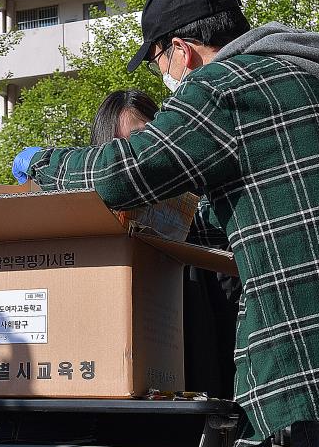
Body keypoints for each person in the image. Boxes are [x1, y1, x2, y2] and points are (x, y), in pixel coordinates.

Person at [12, 0, 319, 447]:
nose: (165, 79)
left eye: (158, 63)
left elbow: (122, 174)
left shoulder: (224, 87)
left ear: (180, 51)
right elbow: (264, 210)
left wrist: (44, 166)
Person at [91, 89, 241, 400]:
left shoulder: (202, 211)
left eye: (142, 143)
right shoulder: (93, 224)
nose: (131, 161)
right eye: (119, 149)